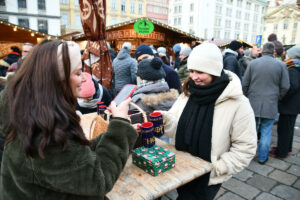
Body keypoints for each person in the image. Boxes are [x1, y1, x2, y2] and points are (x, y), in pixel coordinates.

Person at [0, 40, 138, 199]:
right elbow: (98, 181)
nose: (85, 79)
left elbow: (76, 155)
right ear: (57, 81)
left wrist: (113, 135)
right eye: (78, 73)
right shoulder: (48, 136)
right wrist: (120, 125)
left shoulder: (31, 114)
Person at [162, 43, 257, 200]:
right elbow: (175, 128)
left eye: (200, 72)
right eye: (191, 71)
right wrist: (165, 119)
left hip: (208, 176)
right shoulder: (188, 92)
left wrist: (218, 167)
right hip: (182, 167)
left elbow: (245, 147)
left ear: (214, 71)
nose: (193, 76)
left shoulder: (239, 103)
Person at [242, 42, 290, 164]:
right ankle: (262, 158)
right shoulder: (281, 65)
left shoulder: (253, 63)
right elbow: (285, 86)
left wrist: (246, 97)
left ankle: (246, 156)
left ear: (262, 50)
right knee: (266, 131)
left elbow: (245, 83)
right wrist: (277, 97)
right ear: (273, 51)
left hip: (253, 101)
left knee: (250, 131)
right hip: (271, 102)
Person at [269, 46, 300, 158]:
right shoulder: (297, 66)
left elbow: (292, 86)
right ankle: (287, 148)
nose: (286, 55)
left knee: (284, 129)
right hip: (295, 104)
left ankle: (281, 152)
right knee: (289, 128)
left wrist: (282, 97)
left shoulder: (293, 68)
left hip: (289, 105)